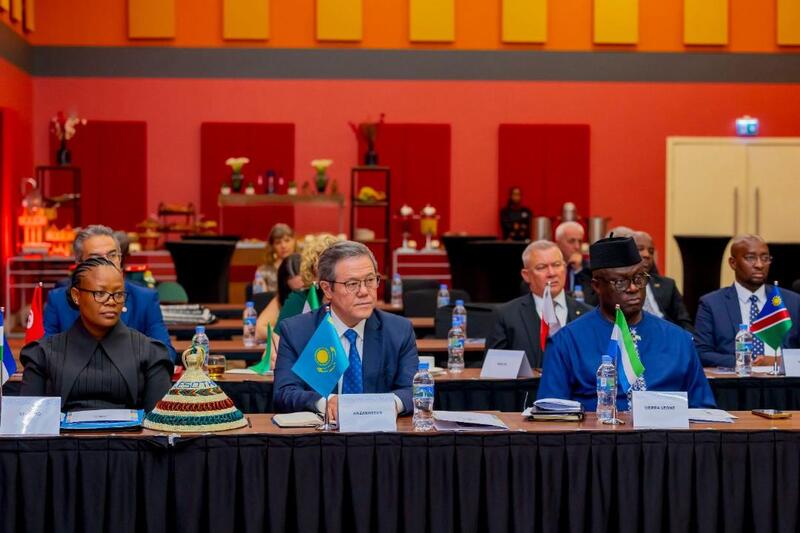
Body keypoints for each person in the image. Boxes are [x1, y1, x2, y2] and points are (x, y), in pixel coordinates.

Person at [537, 236, 715, 410]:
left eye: (639, 278)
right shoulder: (566, 342)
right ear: (597, 286)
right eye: (620, 282)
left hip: (668, 429)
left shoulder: (679, 340)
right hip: (597, 429)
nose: (633, 288)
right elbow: (550, 415)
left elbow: (704, 412)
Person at [273, 241, 418, 420]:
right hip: (321, 435)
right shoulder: (298, 332)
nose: (364, 291)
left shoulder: (398, 331)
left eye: (370, 280)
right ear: (327, 289)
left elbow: (414, 390)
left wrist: (389, 404)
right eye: (352, 284)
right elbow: (284, 393)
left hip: (380, 433)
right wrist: (326, 403)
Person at [21, 257, 173, 412]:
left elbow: (159, 423)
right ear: (76, 295)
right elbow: (28, 421)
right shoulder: (42, 355)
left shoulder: (152, 354)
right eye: (100, 293)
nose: (111, 301)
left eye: (118, 294)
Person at [43, 225, 176, 362]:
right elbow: (45, 355)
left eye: (112, 256)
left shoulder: (144, 299)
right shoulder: (58, 300)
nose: (106, 263)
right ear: (79, 263)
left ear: (120, 259)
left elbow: (166, 354)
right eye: (95, 258)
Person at [694, 234, 800, 367]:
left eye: (765, 258)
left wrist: (778, 361)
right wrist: (747, 362)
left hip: (784, 379)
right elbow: (701, 353)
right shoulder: (712, 304)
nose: (759, 265)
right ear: (733, 263)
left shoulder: (792, 301)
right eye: (750, 258)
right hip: (736, 378)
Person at [487, 240, 592, 368]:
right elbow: (495, 370)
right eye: (541, 267)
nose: (551, 273)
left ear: (564, 268)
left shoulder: (588, 314)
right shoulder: (506, 316)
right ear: (526, 275)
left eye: (557, 265)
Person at [632, 230, 694, 331]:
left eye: (651, 251)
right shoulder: (619, 286)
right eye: (640, 249)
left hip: (667, 334)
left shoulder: (668, 285)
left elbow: (684, 322)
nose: (647, 255)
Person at [277, 233, 341, 323]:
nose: (327, 273)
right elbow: (279, 332)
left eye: (331, 265)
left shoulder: (351, 296)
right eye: (320, 267)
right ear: (312, 271)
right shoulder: (299, 299)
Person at [256, 253, 303, 341]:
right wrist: (287, 334)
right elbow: (259, 330)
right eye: (296, 291)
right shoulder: (283, 298)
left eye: (304, 289)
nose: (299, 296)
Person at [256, 223, 297, 292]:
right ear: (272, 246)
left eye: (287, 240)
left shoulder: (303, 268)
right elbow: (258, 296)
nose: (283, 246)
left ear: (294, 241)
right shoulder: (263, 271)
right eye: (278, 242)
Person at [555, 221, 592, 296]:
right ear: (558, 243)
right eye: (571, 241)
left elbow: (590, 298)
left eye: (580, 241)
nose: (577, 246)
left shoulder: (589, 267)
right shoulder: (550, 266)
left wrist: (579, 270)